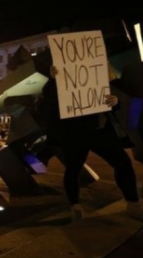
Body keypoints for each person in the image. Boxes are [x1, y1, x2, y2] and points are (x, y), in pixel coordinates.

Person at [42, 65, 143, 221]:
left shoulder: (98, 75)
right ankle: (75, 205)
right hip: (75, 133)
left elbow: (111, 100)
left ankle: (132, 203)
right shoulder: (59, 80)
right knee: (73, 169)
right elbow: (49, 98)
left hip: (100, 129)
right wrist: (53, 80)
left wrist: (114, 101)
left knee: (123, 163)